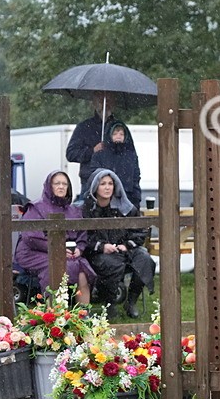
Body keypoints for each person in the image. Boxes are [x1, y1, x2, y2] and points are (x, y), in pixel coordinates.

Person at [82, 168, 155, 318]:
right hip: (98, 253)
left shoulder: (126, 207)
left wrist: (127, 245)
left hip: (124, 249)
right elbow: (83, 237)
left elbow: (140, 231)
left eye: (110, 183)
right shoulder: (86, 210)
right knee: (110, 264)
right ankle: (109, 303)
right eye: (103, 184)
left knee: (145, 260)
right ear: (95, 186)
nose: (107, 187)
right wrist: (102, 247)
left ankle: (131, 301)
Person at [13, 171, 94, 305]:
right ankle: (54, 316)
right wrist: (59, 250)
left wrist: (79, 248)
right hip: (33, 253)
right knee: (55, 267)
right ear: (49, 186)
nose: (61, 187)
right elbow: (31, 237)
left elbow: (82, 235)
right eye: (57, 183)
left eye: (64, 184)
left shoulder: (74, 211)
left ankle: (83, 317)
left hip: (66, 254)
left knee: (82, 270)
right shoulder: (36, 207)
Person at [66, 92, 133, 194]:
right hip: (90, 183)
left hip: (117, 183)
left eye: (109, 100)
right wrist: (92, 151)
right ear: (94, 103)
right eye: (101, 100)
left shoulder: (121, 128)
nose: (106, 104)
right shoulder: (84, 127)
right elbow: (71, 154)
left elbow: (132, 158)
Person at [89, 120, 143, 208]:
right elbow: (95, 176)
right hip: (106, 200)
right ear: (109, 135)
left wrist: (136, 198)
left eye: (121, 134)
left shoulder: (131, 155)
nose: (118, 136)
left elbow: (136, 177)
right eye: (115, 133)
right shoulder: (100, 154)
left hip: (129, 199)